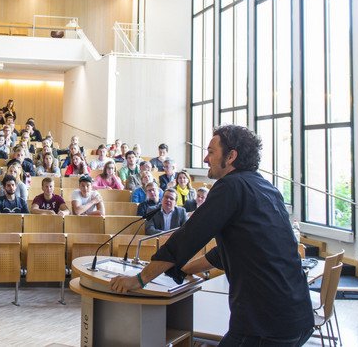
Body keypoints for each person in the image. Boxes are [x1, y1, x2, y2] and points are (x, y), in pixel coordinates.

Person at [109, 125, 314, 346]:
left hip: (265, 323)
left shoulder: (230, 186)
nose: (206, 159)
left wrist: (139, 279)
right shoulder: (266, 187)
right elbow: (225, 251)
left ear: (231, 156)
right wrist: (183, 270)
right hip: (298, 316)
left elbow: (189, 236)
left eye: (211, 152)